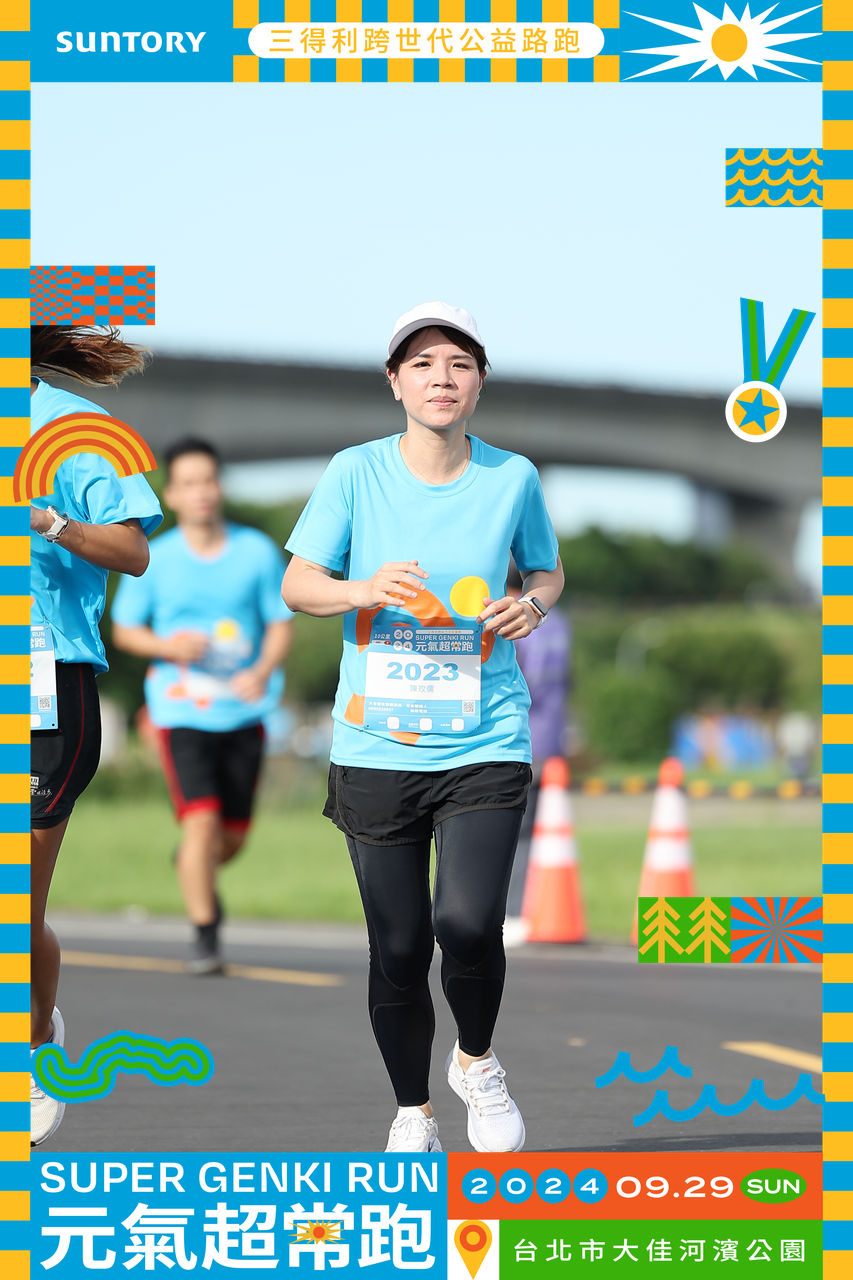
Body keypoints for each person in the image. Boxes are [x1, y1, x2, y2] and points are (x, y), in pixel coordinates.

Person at [282, 302, 564, 1153]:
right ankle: (413, 1111)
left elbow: (545, 571)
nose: (442, 378)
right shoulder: (355, 472)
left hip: (485, 734)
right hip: (377, 744)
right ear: (394, 382)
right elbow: (299, 584)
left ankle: (475, 1060)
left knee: (469, 923)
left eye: (459, 364)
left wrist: (530, 606)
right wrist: (360, 589)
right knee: (399, 946)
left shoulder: (511, 477)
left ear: (478, 383)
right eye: (422, 364)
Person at [29, 326, 163, 1146]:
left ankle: (36, 1042)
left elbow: (134, 551)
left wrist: (51, 524)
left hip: (47, 685)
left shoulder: (73, 429)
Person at [111, 438, 294, 975]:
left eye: (208, 481)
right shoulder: (156, 557)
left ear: (220, 486)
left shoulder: (256, 551)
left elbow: (280, 623)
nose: (201, 492)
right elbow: (125, 630)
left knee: (229, 838)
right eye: (188, 483)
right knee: (201, 822)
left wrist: (261, 670)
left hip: (244, 712)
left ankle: (192, 864)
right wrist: (168, 646)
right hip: (180, 713)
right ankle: (206, 935)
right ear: (171, 494)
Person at [504, 563, 572, 942]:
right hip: (553, 739)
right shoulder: (558, 622)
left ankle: (514, 912)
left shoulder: (514, 619)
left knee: (514, 833)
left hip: (521, 738)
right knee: (542, 832)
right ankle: (531, 909)